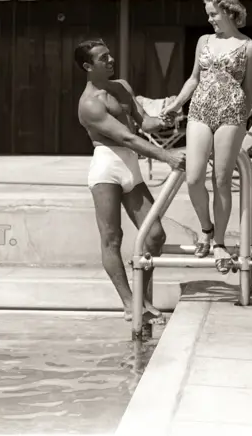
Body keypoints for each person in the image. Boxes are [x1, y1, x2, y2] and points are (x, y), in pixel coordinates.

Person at [76, 38, 186, 325]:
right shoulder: (89, 104)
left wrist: (165, 118)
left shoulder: (122, 87)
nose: (111, 60)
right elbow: (125, 137)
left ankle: (140, 298)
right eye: (103, 58)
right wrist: (167, 156)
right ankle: (129, 302)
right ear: (88, 66)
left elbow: (141, 122)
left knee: (154, 235)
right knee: (112, 239)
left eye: (110, 55)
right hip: (106, 169)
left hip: (130, 168)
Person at [162, 0, 252, 275]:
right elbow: (194, 78)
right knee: (193, 177)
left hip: (231, 114)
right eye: (208, 15)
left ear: (229, 12)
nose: (210, 20)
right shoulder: (203, 41)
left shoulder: (250, 48)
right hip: (200, 111)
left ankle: (219, 242)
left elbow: (249, 89)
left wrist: (242, 123)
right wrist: (176, 105)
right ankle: (205, 227)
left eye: (214, 14)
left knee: (221, 180)